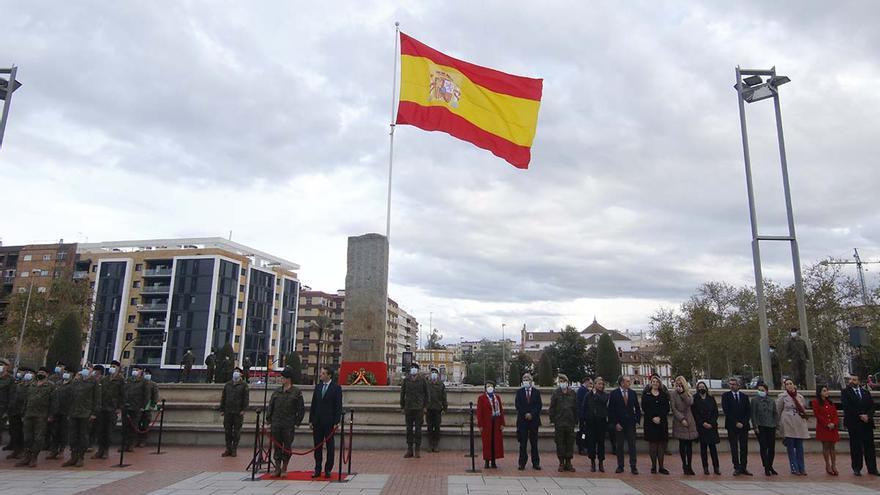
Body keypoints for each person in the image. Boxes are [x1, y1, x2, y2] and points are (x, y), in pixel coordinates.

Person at [266, 366, 305, 478]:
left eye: (283, 377)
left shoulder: (296, 392)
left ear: (288, 379)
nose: (281, 379)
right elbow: (271, 406)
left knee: (287, 446)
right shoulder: (277, 391)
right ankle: (277, 467)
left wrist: (297, 422)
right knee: (276, 446)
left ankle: (284, 467)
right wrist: (269, 420)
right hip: (276, 423)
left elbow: (300, 409)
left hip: (288, 424)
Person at [62, 366, 101, 468]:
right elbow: (69, 395)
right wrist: (74, 379)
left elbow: (97, 399)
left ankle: (80, 457)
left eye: (88, 369)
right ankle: (73, 456)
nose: (85, 370)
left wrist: (93, 413)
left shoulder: (94, 382)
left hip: (85, 413)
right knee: (73, 435)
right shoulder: (76, 382)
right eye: (84, 368)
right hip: (74, 412)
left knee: (83, 435)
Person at [309, 366, 343, 479]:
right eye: (321, 373)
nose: (321, 375)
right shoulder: (318, 387)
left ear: (329, 375)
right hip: (317, 421)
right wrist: (311, 420)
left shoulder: (336, 388)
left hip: (329, 422)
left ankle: (328, 469)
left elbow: (338, 406)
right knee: (317, 446)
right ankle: (317, 468)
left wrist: (337, 421)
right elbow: (313, 405)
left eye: (323, 373)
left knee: (330, 447)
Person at [17, 367, 55, 467]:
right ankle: (26, 456)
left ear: (47, 374)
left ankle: (34, 457)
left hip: (41, 415)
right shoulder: (32, 384)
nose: (40, 374)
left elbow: (54, 402)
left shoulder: (50, 386)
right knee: (27, 437)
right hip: (29, 414)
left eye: (42, 372)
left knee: (38, 438)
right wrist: (23, 413)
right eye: (39, 372)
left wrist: (51, 415)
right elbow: (27, 399)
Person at [841, 373, 877, 476]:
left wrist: (868, 416)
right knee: (856, 447)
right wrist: (860, 415)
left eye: (855, 380)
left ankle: (872, 468)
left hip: (867, 424)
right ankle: (857, 468)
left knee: (869, 447)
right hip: (854, 424)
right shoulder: (845, 392)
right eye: (851, 380)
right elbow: (847, 407)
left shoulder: (865, 392)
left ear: (859, 381)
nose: (852, 381)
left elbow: (872, 406)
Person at [608, 375, 640, 474]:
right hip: (619, 424)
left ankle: (633, 466)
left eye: (629, 381)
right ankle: (620, 465)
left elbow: (637, 408)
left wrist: (636, 420)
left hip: (630, 423)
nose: (629, 383)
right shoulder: (614, 394)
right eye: (627, 381)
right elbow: (611, 410)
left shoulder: (633, 393)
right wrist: (615, 423)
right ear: (622, 383)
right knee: (619, 446)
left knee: (632, 446)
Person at [776, 378, 809, 475]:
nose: (789, 385)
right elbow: (778, 410)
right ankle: (794, 467)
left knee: (799, 446)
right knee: (790, 446)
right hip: (788, 423)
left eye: (791, 383)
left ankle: (801, 467)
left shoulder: (800, 397)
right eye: (787, 384)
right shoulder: (782, 397)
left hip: (798, 422)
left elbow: (803, 408)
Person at [721, 377, 752, 476]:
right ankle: (736, 467)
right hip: (732, 425)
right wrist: (735, 422)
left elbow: (748, 411)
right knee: (734, 447)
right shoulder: (725, 396)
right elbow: (727, 411)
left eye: (734, 384)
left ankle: (744, 467)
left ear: (738, 385)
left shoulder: (744, 396)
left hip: (744, 426)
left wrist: (743, 422)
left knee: (744, 447)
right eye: (730, 384)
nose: (732, 386)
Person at [93, 360, 124, 459]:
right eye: (111, 366)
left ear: (118, 368)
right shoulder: (104, 379)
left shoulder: (120, 380)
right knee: (100, 430)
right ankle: (100, 450)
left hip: (112, 408)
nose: (112, 368)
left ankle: (106, 450)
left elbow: (123, 395)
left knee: (108, 430)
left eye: (114, 366)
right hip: (102, 407)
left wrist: (119, 407)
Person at [549, 374, 578, 472]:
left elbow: (576, 407)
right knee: (560, 443)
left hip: (570, 422)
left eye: (564, 381)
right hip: (559, 422)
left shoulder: (573, 393)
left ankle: (568, 462)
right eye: (560, 381)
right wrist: (553, 419)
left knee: (570, 442)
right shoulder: (556, 393)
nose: (562, 383)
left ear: (567, 382)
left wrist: (576, 420)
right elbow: (552, 408)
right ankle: (561, 462)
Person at [642, 375, 670, 475]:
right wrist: (653, 417)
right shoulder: (646, 394)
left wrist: (660, 417)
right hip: (650, 423)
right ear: (651, 383)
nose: (655, 383)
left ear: (659, 383)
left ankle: (661, 466)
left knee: (661, 445)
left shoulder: (663, 395)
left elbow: (666, 408)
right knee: (653, 445)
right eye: (653, 381)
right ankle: (653, 466)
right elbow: (645, 408)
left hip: (661, 422)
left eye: (657, 382)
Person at [400, 363, 429, 458]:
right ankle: (409, 449)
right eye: (412, 368)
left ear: (418, 370)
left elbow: (427, 394)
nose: (413, 370)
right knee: (409, 429)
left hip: (419, 408)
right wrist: (402, 406)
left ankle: (417, 449)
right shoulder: (406, 380)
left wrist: (425, 406)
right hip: (408, 408)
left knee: (418, 430)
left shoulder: (422, 380)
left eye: (415, 368)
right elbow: (402, 393)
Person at [691, 381, 720, 475]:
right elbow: (695, 413)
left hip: (711, 427)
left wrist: (711, 423)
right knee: (703, 449)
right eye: (699, 387)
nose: (701, 388)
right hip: (702, 427)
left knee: (713, 449)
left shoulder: (711, 398)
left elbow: (715, 412)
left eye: (703, 387)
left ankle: (716, 467)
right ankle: (705, 467)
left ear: (706, 388)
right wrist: (702, 423)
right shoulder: (695, 399)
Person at [750, 382, 779, 476]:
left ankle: (770, 465)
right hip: (760, 426)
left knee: (771, 447)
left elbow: (775, 413)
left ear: (766, 391)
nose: (761, 392)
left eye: (762, 390)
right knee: (763, 446)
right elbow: (753, 414)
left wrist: (776, 425)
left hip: (771, 426)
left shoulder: (771, 401)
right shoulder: (754, 400)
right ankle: (766, 466)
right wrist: (755, 426)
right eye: (759, 390)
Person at [670, 376, 697, 475]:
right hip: (679, 421)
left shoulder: (688, 393)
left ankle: (689, 465)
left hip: (689, 420)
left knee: (689, 445)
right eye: (677, 384)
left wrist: (683, 394)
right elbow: (673, 408)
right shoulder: (673, 394)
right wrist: (681, 419)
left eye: (680, 384)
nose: (678, 386)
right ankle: (684, 464)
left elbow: (690, 403)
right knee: (682, 444)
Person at [219, 366, 249, 457]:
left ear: (241, 374)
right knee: (227, 431)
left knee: (236, 431)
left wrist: (244, 409)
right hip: (228, 411)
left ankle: (234, 448)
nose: (236, 373)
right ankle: (228, 448)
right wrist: (222, 409)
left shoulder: (244, 385)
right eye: (235, 371)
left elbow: (246, 398)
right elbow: (223, 397)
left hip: (238, 412)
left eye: (237, 372)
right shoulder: (228, 384)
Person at [514, 373, 541, 471]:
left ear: (531, 380)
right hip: (522, 421)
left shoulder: (536, 392)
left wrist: (531, 414)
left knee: (534, 443)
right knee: (523, 444)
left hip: (534, 421)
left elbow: (539, 406)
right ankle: (522, 463)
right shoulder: (519, 392)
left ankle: (536, 463)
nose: (526, 380)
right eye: (524, 378)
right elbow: (518, 405)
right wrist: (525, 414)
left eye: (528, 379)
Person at [811, 384, 839, 476]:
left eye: (827, 390)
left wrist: (833, 423)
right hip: (823, 427)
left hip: (832, 428)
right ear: (819, 392)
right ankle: (827, 465)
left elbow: (835, 414)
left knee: (833, 447)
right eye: (824, 390)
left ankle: (834, 465)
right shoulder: (815, 402)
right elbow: (818, 415)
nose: (826, 392)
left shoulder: (830, 402)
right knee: (826, 446)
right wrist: (827, 423)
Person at [477, 381, 505, 469]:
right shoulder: (482, 398)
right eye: (488, 386)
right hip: (486, 423)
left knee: (495, 442)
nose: (490, 387)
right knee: (487, 442)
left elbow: (501, 410)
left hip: (496, 422)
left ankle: (494, 461)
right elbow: (479, 412)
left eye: (491, 386)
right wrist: (480, 425)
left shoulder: (497, 398)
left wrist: (502, 423)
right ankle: (487, 461)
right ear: (485, 388)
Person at [121, 366, 149, 452]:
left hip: (136, 407)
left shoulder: (144, 382)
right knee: (125, 426)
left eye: (137, 370)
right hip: (127, 406)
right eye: (134, 370)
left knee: (133, 426)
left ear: (141, 371)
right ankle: (124, 444)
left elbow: (146, 396)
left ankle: (131, 444)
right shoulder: (129, 380)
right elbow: (124, 392)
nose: (135, 371)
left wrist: (143, 407)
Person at [46, 368, 73, 459]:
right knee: (54, 431)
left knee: (63, 432)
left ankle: (61, 449)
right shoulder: (57, 384)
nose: (65, 374)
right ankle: (53, 450)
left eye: (67, 372)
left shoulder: (73, 385)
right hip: (56, 411)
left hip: (66, 411)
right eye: (64, 372)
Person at [584, 376, 608, 472]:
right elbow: (584, 407)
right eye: (598, 384)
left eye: (602, 384)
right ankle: (592, 462)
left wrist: (596, 395)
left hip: (601, 422)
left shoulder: (605, 395)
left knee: (601, 443)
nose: (600, 386)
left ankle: (601, 462)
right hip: (591, 423)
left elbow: (604, 402)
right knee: (591, 443)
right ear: (594, 384)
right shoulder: (588, 395)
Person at [5, 367, 29, 459]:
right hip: (13, 411)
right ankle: (16, 450)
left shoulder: (30, 385)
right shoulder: (16, 383)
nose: (20, 373)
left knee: (22, 432)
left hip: (22, 411)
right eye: (19, 372)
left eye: (22, 372)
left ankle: (23, 451)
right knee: (14, 432)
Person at [425, 367, 447, 453]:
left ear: (437, 375)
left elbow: (444, 397)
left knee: (437, 427)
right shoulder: (427, 384)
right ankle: (430, 445)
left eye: (435, 372)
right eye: (432, 372)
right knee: (429, 427)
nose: (433, 374)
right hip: (429, 408)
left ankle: (436, 445)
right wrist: (424, 407)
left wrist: (445, 408)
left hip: (438, 409)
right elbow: (424, 396)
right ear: (430, 375)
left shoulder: (441, 385)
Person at [137, 368, 160, 448]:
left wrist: (152, 406)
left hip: (147, 407)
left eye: (148, 373)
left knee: (145, 424)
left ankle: (143, 440)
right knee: (137, 424)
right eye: (145, 373)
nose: (146, 375)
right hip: (138, 406)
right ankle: (136, 440)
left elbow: (155, 396)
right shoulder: (139, 383)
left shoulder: (153, 384)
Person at [575, 377, 592, 456]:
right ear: (586, 382)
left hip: (584, 415)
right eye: (590, 383)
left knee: (584, 431)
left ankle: (583, 446)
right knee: (583, 432)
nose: (590, 385)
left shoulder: (583, 390)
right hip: (583, 416)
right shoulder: (582, 391)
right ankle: (582, 446)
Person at [0, 360, 12, 449]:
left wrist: (7, 411)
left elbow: (12, 396)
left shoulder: (10, 379)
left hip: (2, 408)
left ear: (7, 367)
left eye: (1, 365)